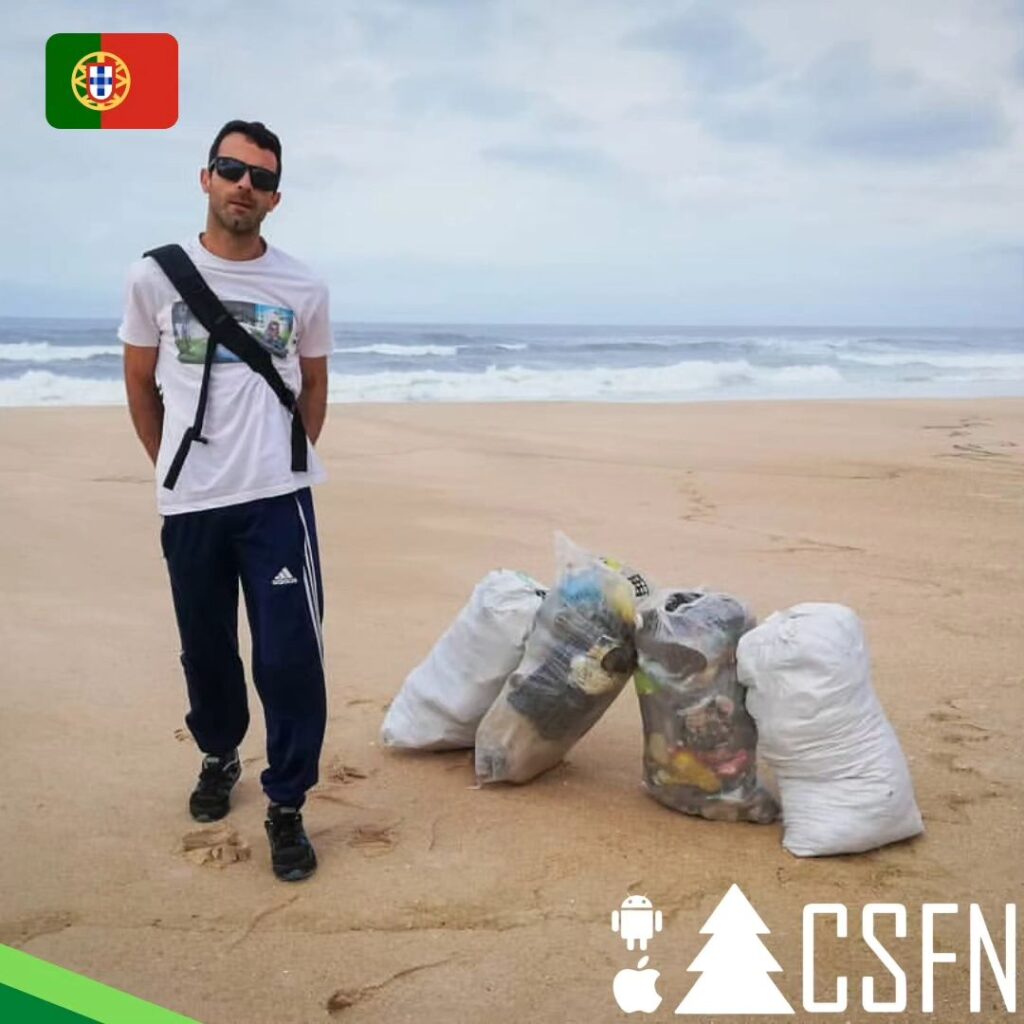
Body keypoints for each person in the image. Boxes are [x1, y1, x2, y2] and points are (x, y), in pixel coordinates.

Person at [120, 120, 331, 882]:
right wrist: (175, 472)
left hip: (277, 504)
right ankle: (218, 754)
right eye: (232, 169)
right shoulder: (153, 278)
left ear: (276, 199)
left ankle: (287, 802)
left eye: (262, 178)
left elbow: (314, 388)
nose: (246, 184)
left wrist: (279, 466)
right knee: (206, 650)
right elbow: (141, 384)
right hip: (191, 506)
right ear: (206, 177)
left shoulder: (304, 286)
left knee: (289, 659)